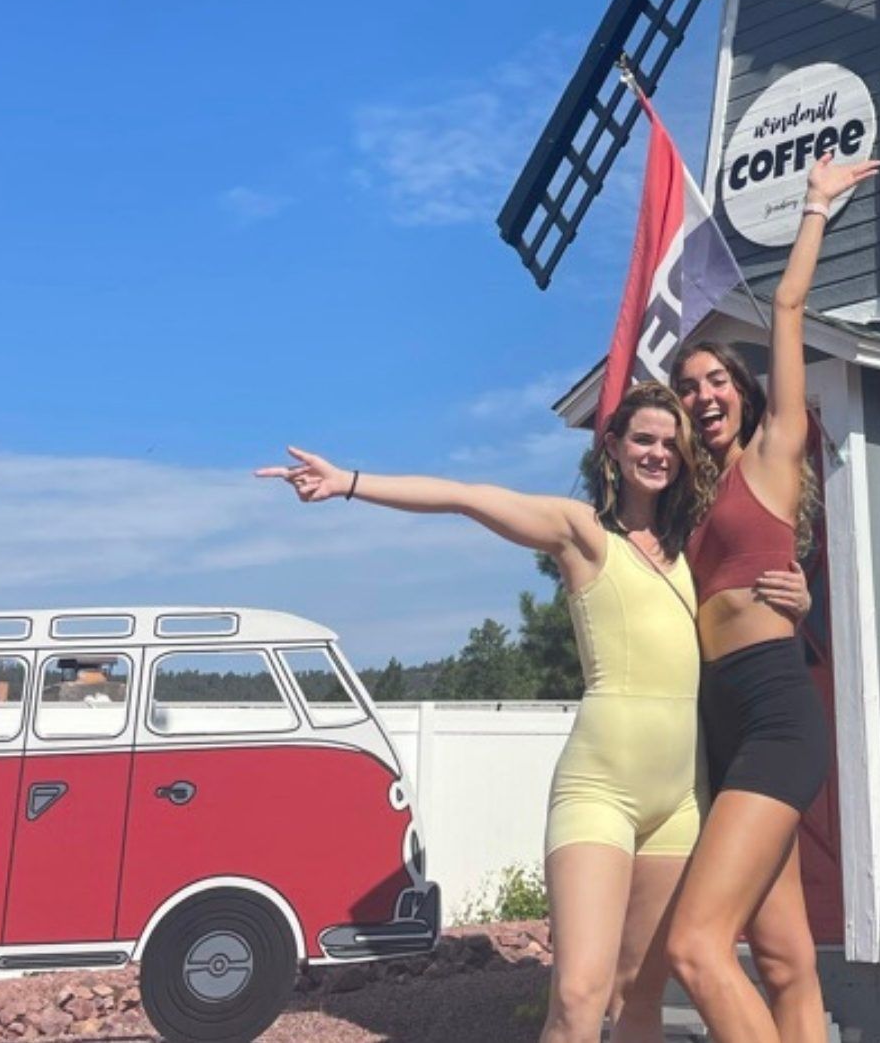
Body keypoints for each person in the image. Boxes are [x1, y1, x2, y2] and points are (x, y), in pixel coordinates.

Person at [256, 382, 806, 1043]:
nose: (657, 453)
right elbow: (471, 498)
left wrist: (798, 595)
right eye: (643, 439)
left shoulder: (692, 548)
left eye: (669, 443)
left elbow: (753, 586)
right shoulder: (583, 535)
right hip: (600, 788)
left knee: (640, 999)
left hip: (682, 799)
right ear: (613, 447)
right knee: (578, 997)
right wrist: (349, 481)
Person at [664, 150, 880, 1043]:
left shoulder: (774, 453)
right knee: (784, 958)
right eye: (688, 386)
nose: (704, 392)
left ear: (744, 395)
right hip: (721, 718)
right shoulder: (689, 500)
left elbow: (786, 306)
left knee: (695, 945)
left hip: (776, 708)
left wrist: (815, 206)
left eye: (717, 380)